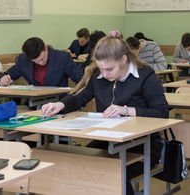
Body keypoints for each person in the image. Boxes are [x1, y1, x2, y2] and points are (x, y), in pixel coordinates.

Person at [42, 30, 168, 195]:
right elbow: (80, 98)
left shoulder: (145, 75)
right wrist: (60, 104)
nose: (104, 74)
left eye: (109, 69)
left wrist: (126, 110)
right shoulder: (99, 75)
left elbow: (162, 113)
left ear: (124, 59)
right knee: (79, 164)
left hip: (143, 145)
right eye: (101, 69)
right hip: (107, 139)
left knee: (114, 174)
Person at [0, 37, 83, 87]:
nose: (40, 63)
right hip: (34, 104)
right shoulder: (23, 60)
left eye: (42, 59)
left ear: (45, 47)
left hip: (58, 102)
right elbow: (4, 76)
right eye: (36, 62)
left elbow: (81, 79)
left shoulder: (62, 58)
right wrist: (2, 80)